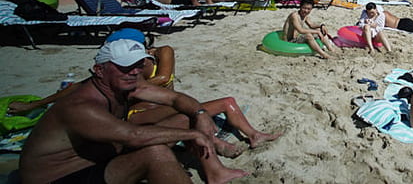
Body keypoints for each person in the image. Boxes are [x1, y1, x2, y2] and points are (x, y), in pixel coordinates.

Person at [19, 39, 249, 184]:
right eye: (125, 67)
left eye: (139, 65)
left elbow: (177, 98)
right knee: (155, 153)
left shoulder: (128, 85)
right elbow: (133, 136)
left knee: (183, 117)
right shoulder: (81, 106)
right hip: (62, 176)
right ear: (99, 70)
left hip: (100, 158)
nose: (133, 72)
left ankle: (215, 173)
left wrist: (199, 114)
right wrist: (194, 135)